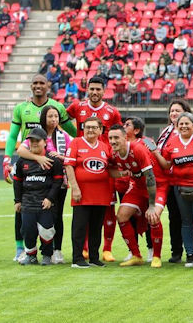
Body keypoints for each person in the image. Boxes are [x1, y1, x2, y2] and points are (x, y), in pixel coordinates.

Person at [3, 74, 76, 261]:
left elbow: (73, 133)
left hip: (52, 171)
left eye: (41, 83)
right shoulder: (22, 107)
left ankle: (53, 250)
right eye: (34, 83)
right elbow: (13, 137)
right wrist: (7, 159)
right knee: (22, 208)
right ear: (30, 86)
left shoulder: (58, 107)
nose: (38, 86)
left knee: (54, 212)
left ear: (48, 86)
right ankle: (21, 249)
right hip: (28, 163)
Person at [66, 77, 122, 262]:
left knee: (107, 210)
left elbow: (119, 134)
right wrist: (73, 137)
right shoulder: (77, 107)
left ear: (104, 90)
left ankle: (106, 249)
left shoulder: (112, 112)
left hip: (105, 164)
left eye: (98, 89)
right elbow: (60, 118)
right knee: (83, 215)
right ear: (87, 90)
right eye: (92, 89)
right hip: (83, 159)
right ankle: (83, 250)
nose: (95, 92)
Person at [15, 106, 71, 264]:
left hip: (53, 192)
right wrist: (38, 158)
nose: (53, 119)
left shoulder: (63, 136)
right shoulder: (28, 149)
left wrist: (59, 157)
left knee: (53, 221)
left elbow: (70, 157)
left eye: (56, 116)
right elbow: (20, 154)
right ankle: (30, 254)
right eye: (49, 116)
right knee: (28, 227)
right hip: (29, 199)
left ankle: (53, 252)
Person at [106, 125, 163, 268]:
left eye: (116, 137)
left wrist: (151, 205)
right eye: (110, 138)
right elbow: (110, 170)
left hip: (157, 185)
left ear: (125, 137)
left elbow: (150, 178)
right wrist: (121, 174)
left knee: (153, 216)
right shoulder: (113, 154)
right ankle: (136, 255)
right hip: (137, 187)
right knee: (122, 216)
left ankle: (156, 256)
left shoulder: (137, 149)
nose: (113, 141)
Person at [64, 117, 114, 268]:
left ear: (100, 130)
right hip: (82, 194)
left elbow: (110, 169)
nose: (90, 130)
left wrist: (126, 172)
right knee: (79, 226)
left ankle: (94, 257)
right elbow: (69, 166)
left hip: (101, 194)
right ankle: (77, 258)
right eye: (87, 127)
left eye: (94, 127)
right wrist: (75, 187)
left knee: (96, 227)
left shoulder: (105, 147)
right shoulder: (76, 143)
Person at [156, 99, 192, 263]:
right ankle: (176, 251)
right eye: (172, 111)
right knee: (174, 217)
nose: (174, 114)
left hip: (183, 180)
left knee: (188, 217)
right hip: (167, 181)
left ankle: (192, 250)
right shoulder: (166, 130)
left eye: (177, 110)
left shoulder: (188, 131)